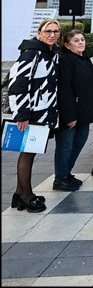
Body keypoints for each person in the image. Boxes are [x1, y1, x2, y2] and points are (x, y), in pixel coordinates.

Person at [8, 19, 61, 212]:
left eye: (56, 31)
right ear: (39, 32)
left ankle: (18, 193)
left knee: (30, 151)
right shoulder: (31, 54)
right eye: (48, 31)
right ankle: (26, 196)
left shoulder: (51, 52)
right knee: (28, 153)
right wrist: (22, 114)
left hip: (43, 112)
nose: (52, 35)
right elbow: (17, 84)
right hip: (31, 114)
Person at [54, 30, 93, 191]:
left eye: (82, 39)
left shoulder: (84, 59)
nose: (81, 42)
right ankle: (60, 178)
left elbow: (88, 80)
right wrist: (69, 116)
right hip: (71, 113)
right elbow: (65, 89)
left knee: (79, 143)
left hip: (84, 112)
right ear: (67, 45)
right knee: (66, 146)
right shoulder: (66, 61)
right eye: (76, 41)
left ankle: (67, 173)